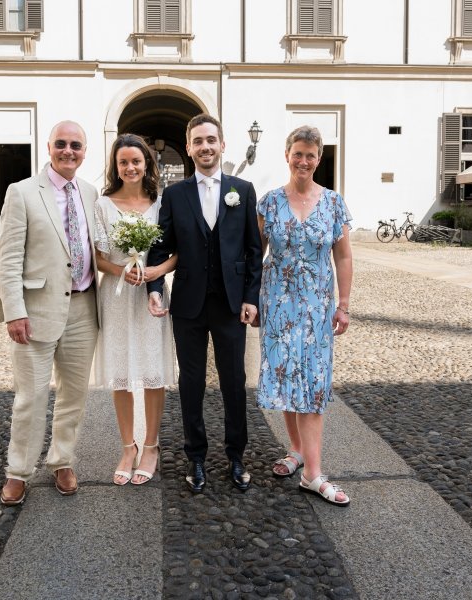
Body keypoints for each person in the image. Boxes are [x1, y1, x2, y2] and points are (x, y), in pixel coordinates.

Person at [147, 114, 263, 493]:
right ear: (190, 147)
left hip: (231, 304)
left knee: (234, 381)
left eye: (211, 139)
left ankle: (236, 456)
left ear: (223, 144)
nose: (205, 147)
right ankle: (195, 458)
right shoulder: (175, 195)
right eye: (198, 141)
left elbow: (252, 249)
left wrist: (250, 297)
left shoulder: (242, 190)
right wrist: (152, 288)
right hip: (188, 305)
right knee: (192, 383)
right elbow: (162, 246)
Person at [0, 120, 100, 505]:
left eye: (76, 144)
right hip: (36, 311)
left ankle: (61, 460)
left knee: (74, 395)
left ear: (85, 151)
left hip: (83, 308)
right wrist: (14, 311)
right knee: (31, 397)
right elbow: (8, 259)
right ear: (49, 147)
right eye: (61, 144)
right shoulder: (22, 192)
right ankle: (18, 472)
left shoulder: (90, 194)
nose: (68, 151)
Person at [257, 125, 352, 507]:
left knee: (311, 384)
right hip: (277, 303)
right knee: (284, 377)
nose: (304, 160)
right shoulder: (268, 203)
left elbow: (343, 256)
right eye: (298, 153)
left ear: (319, 159)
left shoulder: (332, 203)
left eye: (311, 155)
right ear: (287, 155)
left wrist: (343, 304)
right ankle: (296, 451)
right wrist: (250, 301)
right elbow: (254, 254)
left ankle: (313, 473)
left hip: (316, 308)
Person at [94, 133, 176, 486]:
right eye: (123, 161)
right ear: (116, 165)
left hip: (151, 296)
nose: (130, 167)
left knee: (153, 368)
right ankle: (128, 446)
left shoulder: (161, 204)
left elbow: (176, 253)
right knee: (122, 372)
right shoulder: (102, 205)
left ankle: (151, 445)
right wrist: (121, 270)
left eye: (136, 161)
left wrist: (155, 272)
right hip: (115, 296)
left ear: (147, 165)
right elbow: (98, 257)